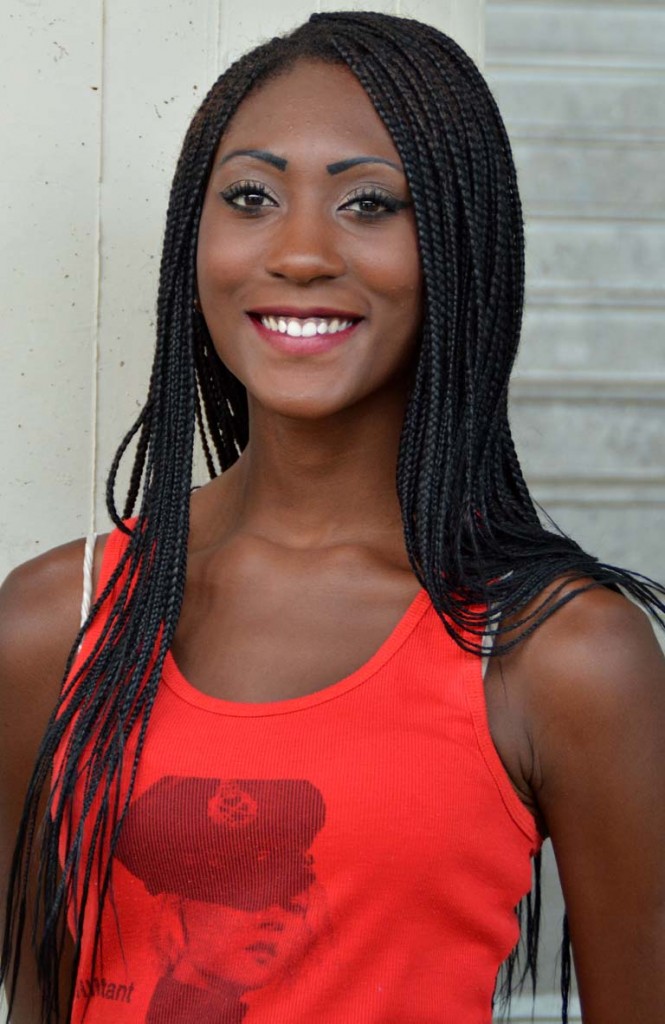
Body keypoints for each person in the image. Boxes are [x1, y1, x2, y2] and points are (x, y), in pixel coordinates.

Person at [1, 10, 664, 1024]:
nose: (301, 252)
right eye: (251, 197)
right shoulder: (59, 619)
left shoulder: (558, 655)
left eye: (368, 203)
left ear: (459, 246)